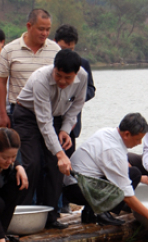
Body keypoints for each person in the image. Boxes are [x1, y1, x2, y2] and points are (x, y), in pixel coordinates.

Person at [13, 49, 88, 229]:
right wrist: (61, 154)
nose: (62, 81)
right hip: (27, 116)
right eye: (58, 75)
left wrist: (64, 130)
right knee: (32, 164)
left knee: (56, 167)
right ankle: (19, 216)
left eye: (67, 78)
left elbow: (76, 105)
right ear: (53, 68)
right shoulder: (41, 79)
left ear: (76, 74)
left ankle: (50, 217)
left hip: (56, 118)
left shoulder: (83, 77)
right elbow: (44, 122)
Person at [63, 113, 148, 226]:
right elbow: (126, 195)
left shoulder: (107, 132)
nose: (140, 143)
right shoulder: (113, 150)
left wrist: (142, 179)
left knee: (134, 174)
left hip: (74, 184)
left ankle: (90, 212)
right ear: (127, 134)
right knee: (133, 174)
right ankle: (102, 213)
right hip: (78, 189)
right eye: (138, 139)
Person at [54, 24, 96, 213]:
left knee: (67, 163)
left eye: (71, 49)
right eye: (63, 49)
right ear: (55, 44)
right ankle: (49, 205)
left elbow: (91, 90)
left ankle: (64, 203)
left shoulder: (82, 64)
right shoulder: (52, 63)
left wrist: (72, 97)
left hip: (71, 122)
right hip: (49, 118)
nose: (68, 53)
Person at [0, 9, 61, 128]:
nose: (45, 33)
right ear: (29, 26)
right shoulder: (9, 50)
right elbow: (0, 83)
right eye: (41, 29)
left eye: (48, 29)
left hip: (48, 110)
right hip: (20, 111)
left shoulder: (55, 50)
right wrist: (3, 113)